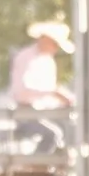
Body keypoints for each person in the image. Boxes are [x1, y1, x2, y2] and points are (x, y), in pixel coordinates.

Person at [7, 21, 72, 151]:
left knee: (69, 130)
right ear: (44, 39)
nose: (56, 48)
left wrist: (64, 99)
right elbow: (21, 92)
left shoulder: (48, 61)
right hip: (24, 112)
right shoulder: (25, 57)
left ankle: (50, 165)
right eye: (55, 44)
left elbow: (48, 90)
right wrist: (53, 93)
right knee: (52, 134)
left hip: (44, 112)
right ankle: (35, 168)